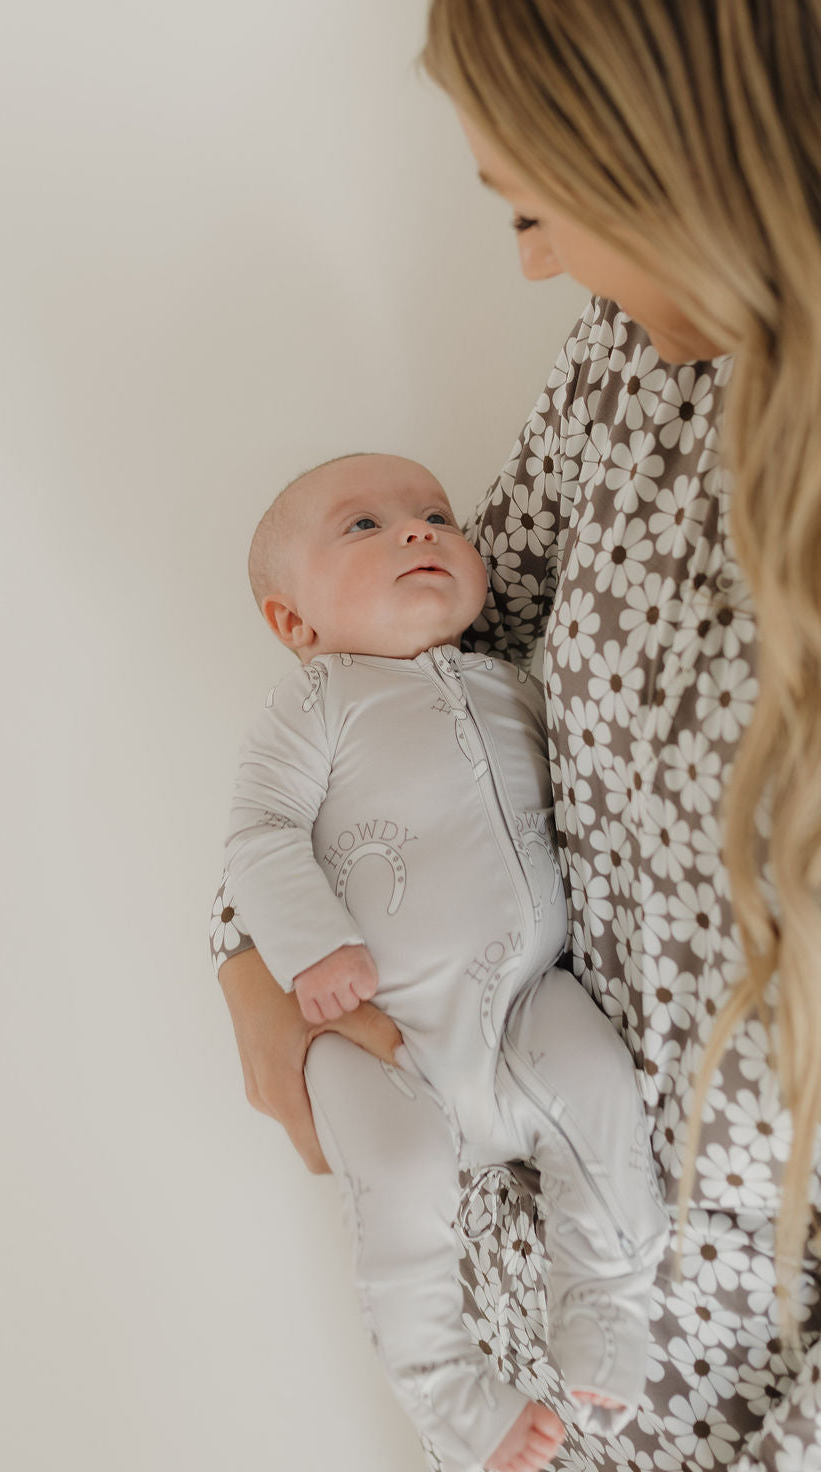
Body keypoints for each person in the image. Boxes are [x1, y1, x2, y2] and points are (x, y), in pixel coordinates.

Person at [211, 0, 821, 1467]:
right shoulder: (638, 360)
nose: (537, 268)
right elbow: (410, 658)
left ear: (674, 165)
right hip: (515, 1334)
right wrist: (250, 950)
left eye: (541, 213)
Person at [224, 452, 669, 1470]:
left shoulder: (511, 683)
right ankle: (452, 1398)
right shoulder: (315, 705)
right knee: (398, 1194)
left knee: (599, 1091)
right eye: (365, 526)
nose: (418, 531)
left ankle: (603, 1304)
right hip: (379, 1037)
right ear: (294, 625)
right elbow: (257, 833)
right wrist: (309, 948)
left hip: (521, 1001)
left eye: (433, 514)